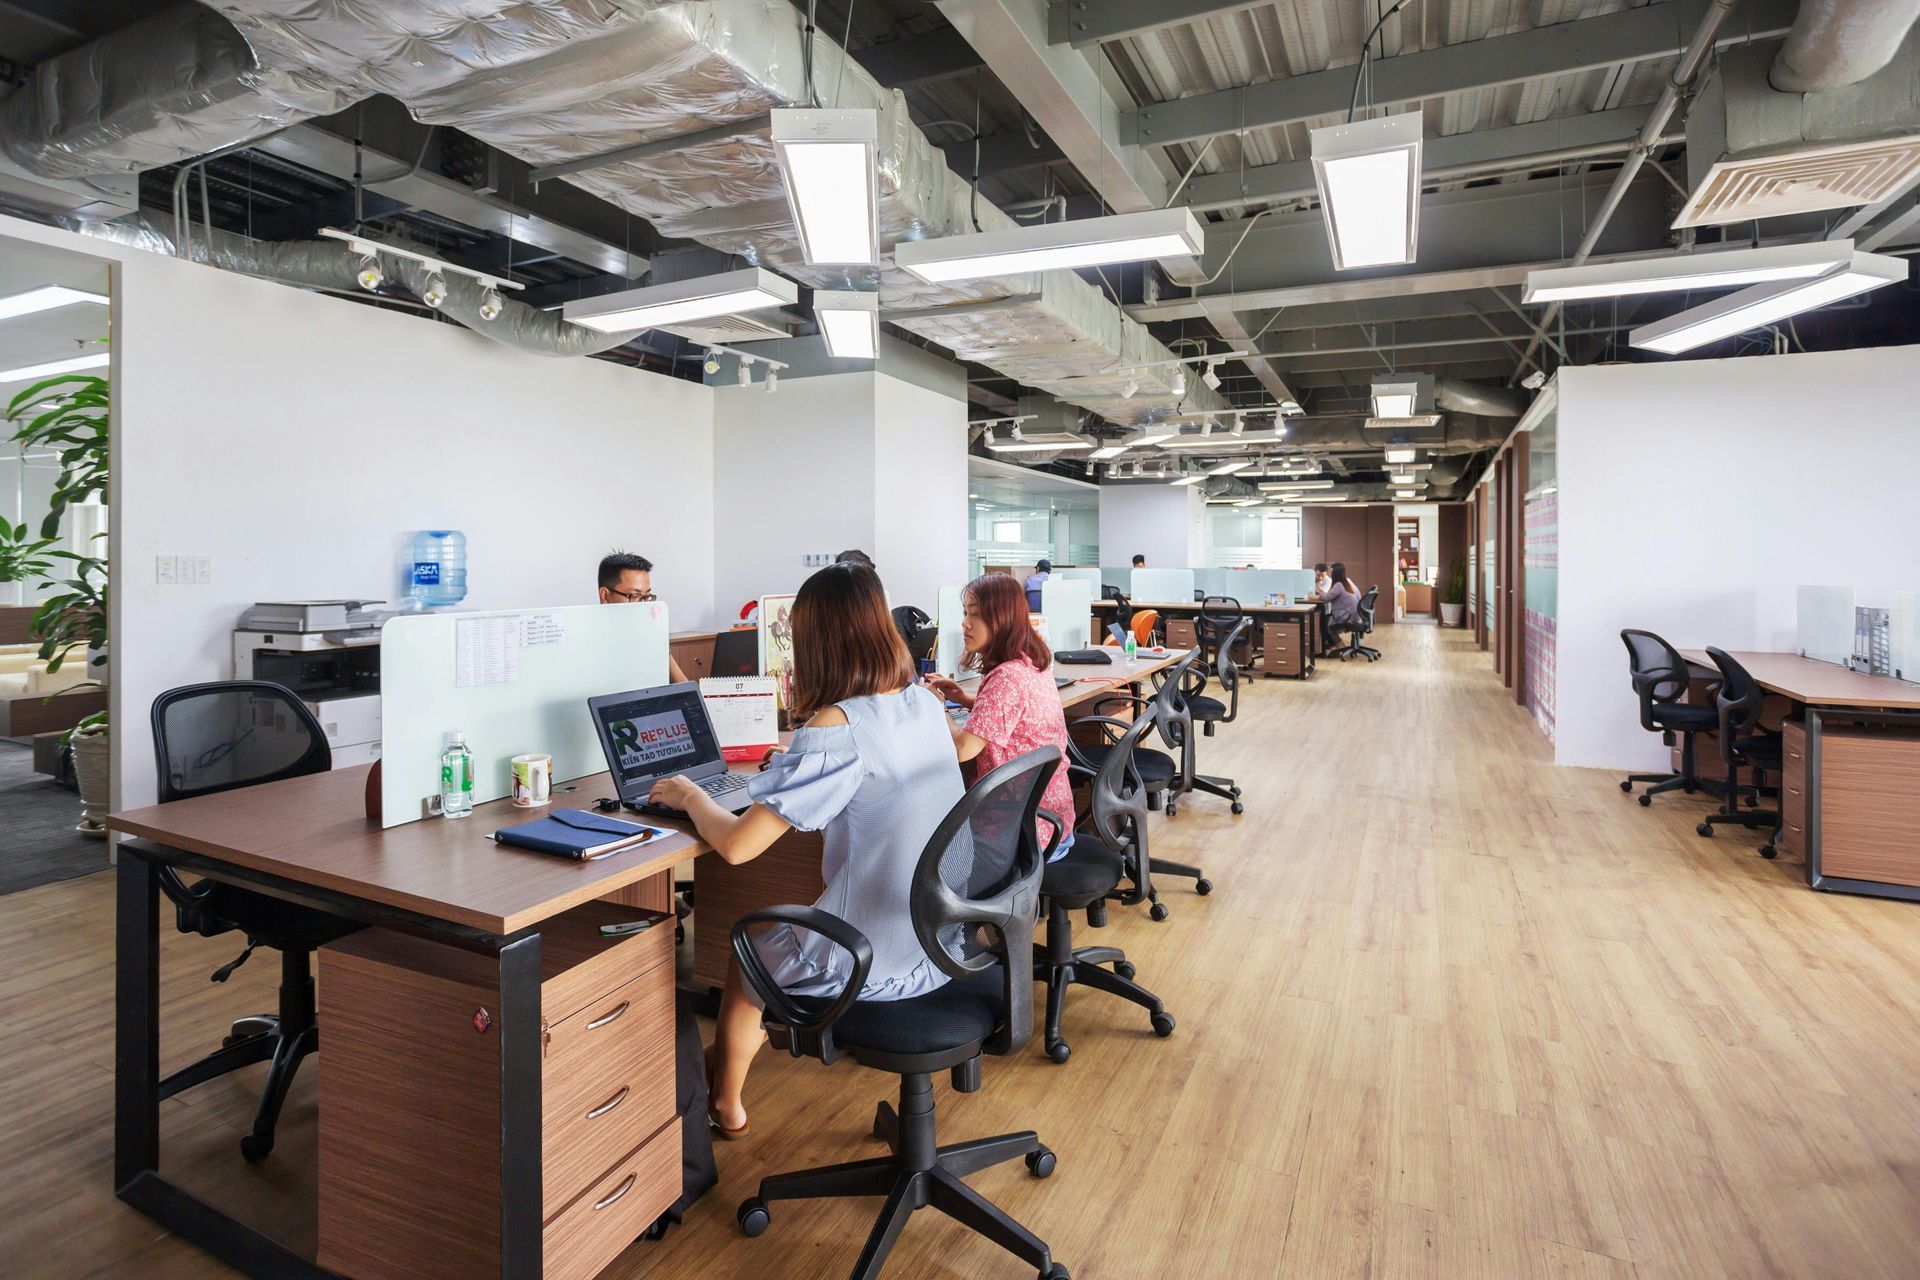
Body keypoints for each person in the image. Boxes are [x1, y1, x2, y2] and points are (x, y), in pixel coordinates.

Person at [647, 563, 963, 1139]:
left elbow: (737, 846)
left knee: (747, 955)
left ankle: (725, 1104)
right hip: (940, 940)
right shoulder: (923, 701)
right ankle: (723, 1065)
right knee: (779, 931)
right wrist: (794, 769)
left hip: (872, 961)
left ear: (817, 642)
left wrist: (690, 795)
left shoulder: (837, 725)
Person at [923, 574, 1075, 862]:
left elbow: (962, 749)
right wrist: (963, 698)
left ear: (1001, 619)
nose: (965, 623)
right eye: (965, 613)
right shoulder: (1030, 660)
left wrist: (938, 707)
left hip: (1021, 833)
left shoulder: (1007, 677)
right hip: (1050, 820)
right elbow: (1011, 713)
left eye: (975, 614)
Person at [598, 551, 687, 680]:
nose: (644, 606)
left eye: (647, 596)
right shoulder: (589, 640)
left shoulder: (649, 635)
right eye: (635, 596)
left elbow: (683, 685)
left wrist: (661, 646)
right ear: (605, 596)